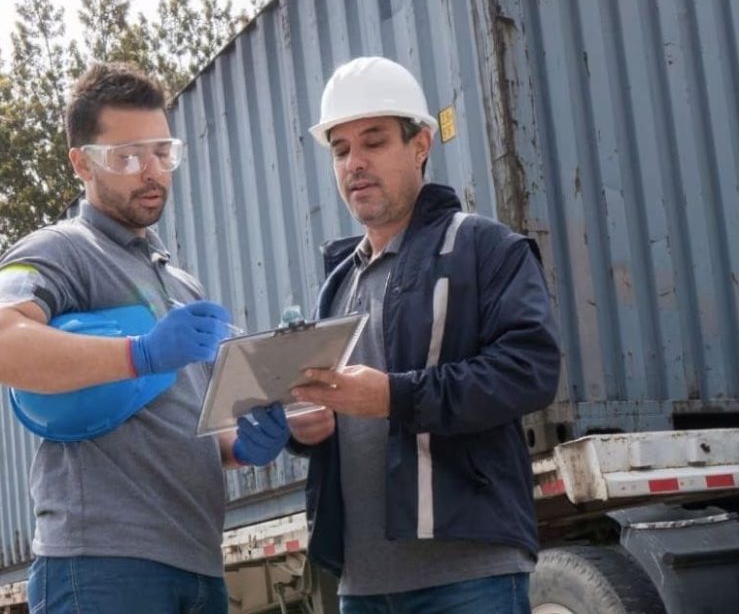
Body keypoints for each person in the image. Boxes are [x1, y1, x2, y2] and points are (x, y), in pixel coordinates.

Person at [0, 62, 290, 613]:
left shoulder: (178, 281)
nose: (151, 171)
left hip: (198, 561)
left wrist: (241, 445)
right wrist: (141, 353)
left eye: (162, 153)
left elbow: (178, 421)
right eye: (127, 157)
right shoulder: (59, 250)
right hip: (103, 564)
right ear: (81, 163)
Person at [288, 56, 561, 613]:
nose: (355, 164)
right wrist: (304, 428)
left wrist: (393, 396)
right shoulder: (337, 286)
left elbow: (529, 371)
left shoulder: (484, 248)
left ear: (421, 144)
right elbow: (338, 422)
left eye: (374, 142)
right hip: (361, 586)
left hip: (469, 575)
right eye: (341, 151)